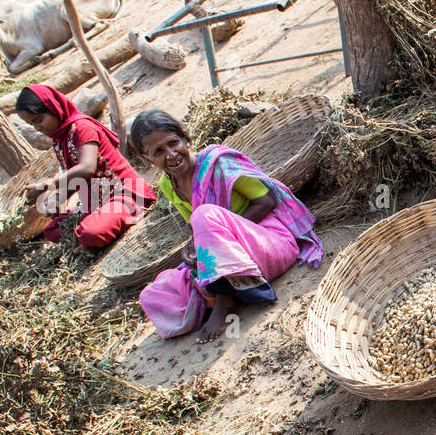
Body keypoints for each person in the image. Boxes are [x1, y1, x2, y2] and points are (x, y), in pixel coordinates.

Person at [128, 109, 324, 344]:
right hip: (228, 258)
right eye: (158, 152)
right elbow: (198, 228)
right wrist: (195, 248)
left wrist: (223, 234)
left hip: (271, 244)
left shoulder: (218, 164)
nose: (170, 155)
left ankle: (224, 300)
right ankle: (234, 288)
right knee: (154, 294)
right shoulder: (169, 185)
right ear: (147, 159)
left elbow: (266, 201)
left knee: (204, 216)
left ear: (186, 137)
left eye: (173, 143)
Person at [15, 85, 154, 247]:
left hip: (125, 193)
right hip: (96, 202)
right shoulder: (60, 140)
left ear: (54, 107)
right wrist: (58, 198)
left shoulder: (82, 128)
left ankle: (100, 229)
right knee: (52, 230)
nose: (37, 128)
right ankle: (97, 227)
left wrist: (47, 186)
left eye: (39, 120)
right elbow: (77, 178)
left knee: (90, 233)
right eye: (32, 124)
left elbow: (87, 168)